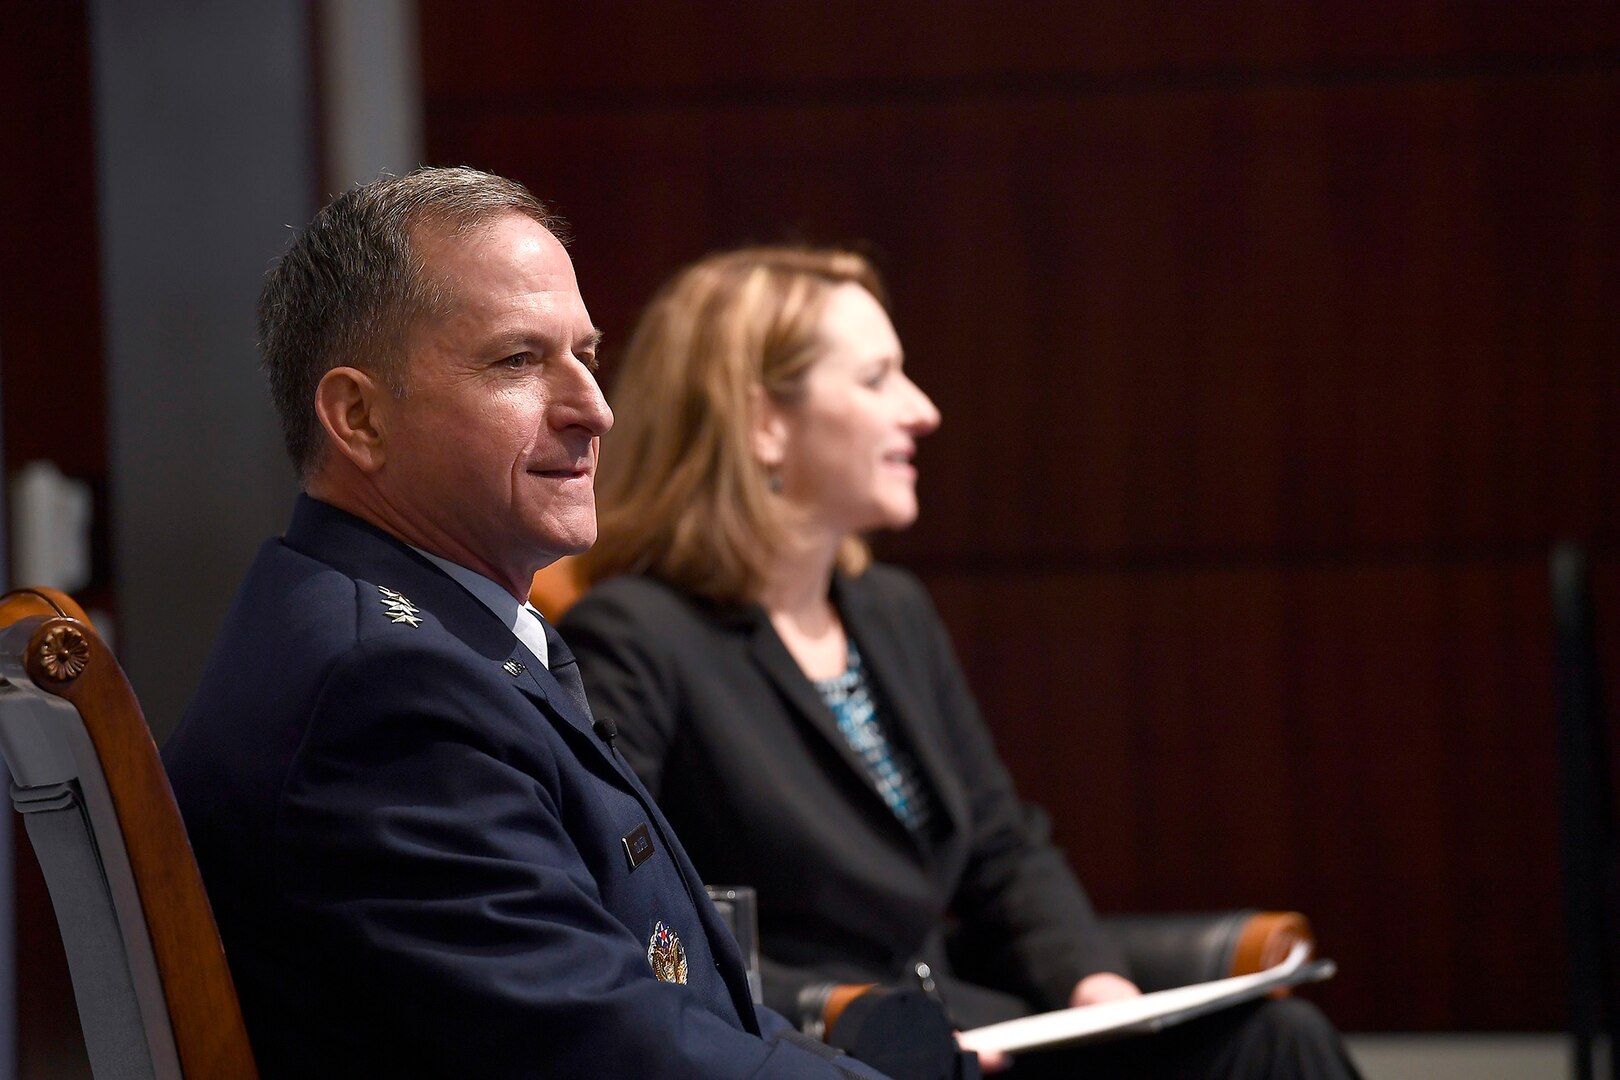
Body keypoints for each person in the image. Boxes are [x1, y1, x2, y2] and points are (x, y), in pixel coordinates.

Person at [559, 246, 1365, 1078]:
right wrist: (857, 1019)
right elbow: (638, 914)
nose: (924, 411)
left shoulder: (890, 611)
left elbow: (1001, 848)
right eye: (878, 380)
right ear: (764, 421)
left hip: (979, 1030)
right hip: (831, 1054)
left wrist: (1090, 984)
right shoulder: (637, 637)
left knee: (1280, 1040)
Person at [162, 170, 896, 1079]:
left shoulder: (391, 626)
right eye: (518, 360)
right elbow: (608, 1053)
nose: (594, 406)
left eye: (585, 354)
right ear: (358, 417)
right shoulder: (385, 690)